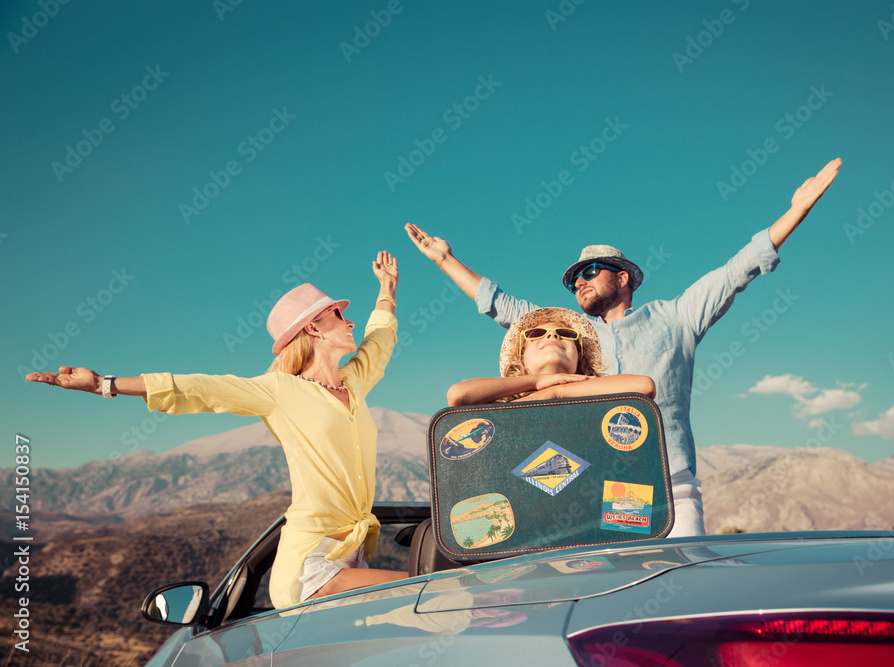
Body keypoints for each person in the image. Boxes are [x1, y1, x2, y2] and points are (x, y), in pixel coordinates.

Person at [406, 158, 842, 537]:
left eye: (590, 271)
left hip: (672, 481)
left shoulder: (677, 316)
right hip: (607, 490)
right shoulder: (572, 337)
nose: (579, 280)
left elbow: (734, 272)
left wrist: (796, 211)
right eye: (574, 277)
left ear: (623, 277)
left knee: (682, 592)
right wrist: (445, 259)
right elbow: (505, 306)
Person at [26, 251, 407, 609]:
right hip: (311, 569)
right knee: (424, 589)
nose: (350, 321)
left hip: (354, 558)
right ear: (313, 327)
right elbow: (200, 388)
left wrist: (387, 287)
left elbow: (381, 337)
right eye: (339, 315)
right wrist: (103, 385)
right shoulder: (279, 392)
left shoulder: (353, 383)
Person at [446, 306, 654, 405]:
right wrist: (538, 383)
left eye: (566, 334)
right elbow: (457, 395)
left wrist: (556, 393)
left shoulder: (595, 391)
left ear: (580, 358)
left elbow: (644, 386)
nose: (553, 334)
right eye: (536, 334)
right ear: (521, 358)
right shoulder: (503, 402)